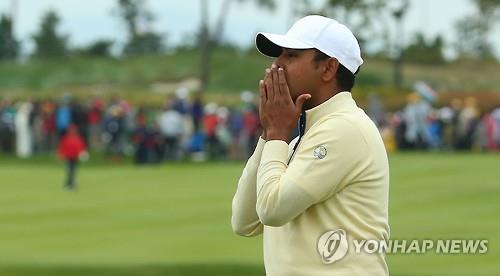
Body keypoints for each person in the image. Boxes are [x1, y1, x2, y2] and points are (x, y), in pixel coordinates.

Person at [231, 15, 390, 275]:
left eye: (291, 56)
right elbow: (244, 221)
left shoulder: (345, 128)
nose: (276, 65)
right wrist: (270, 135)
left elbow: (272, 210)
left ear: (328, 68)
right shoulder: (297, 140)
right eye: (280, 55)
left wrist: (276, 134)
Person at [58, 124, 88, 190]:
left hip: (75, 158)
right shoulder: (66, 139)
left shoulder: (78, 139)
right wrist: (61, 155)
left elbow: (82, 148)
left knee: (73, 171)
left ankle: (71, 183)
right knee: (70, 171)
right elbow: (62, 148)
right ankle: (69, 184)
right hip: (68, 158)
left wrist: (83, 155)